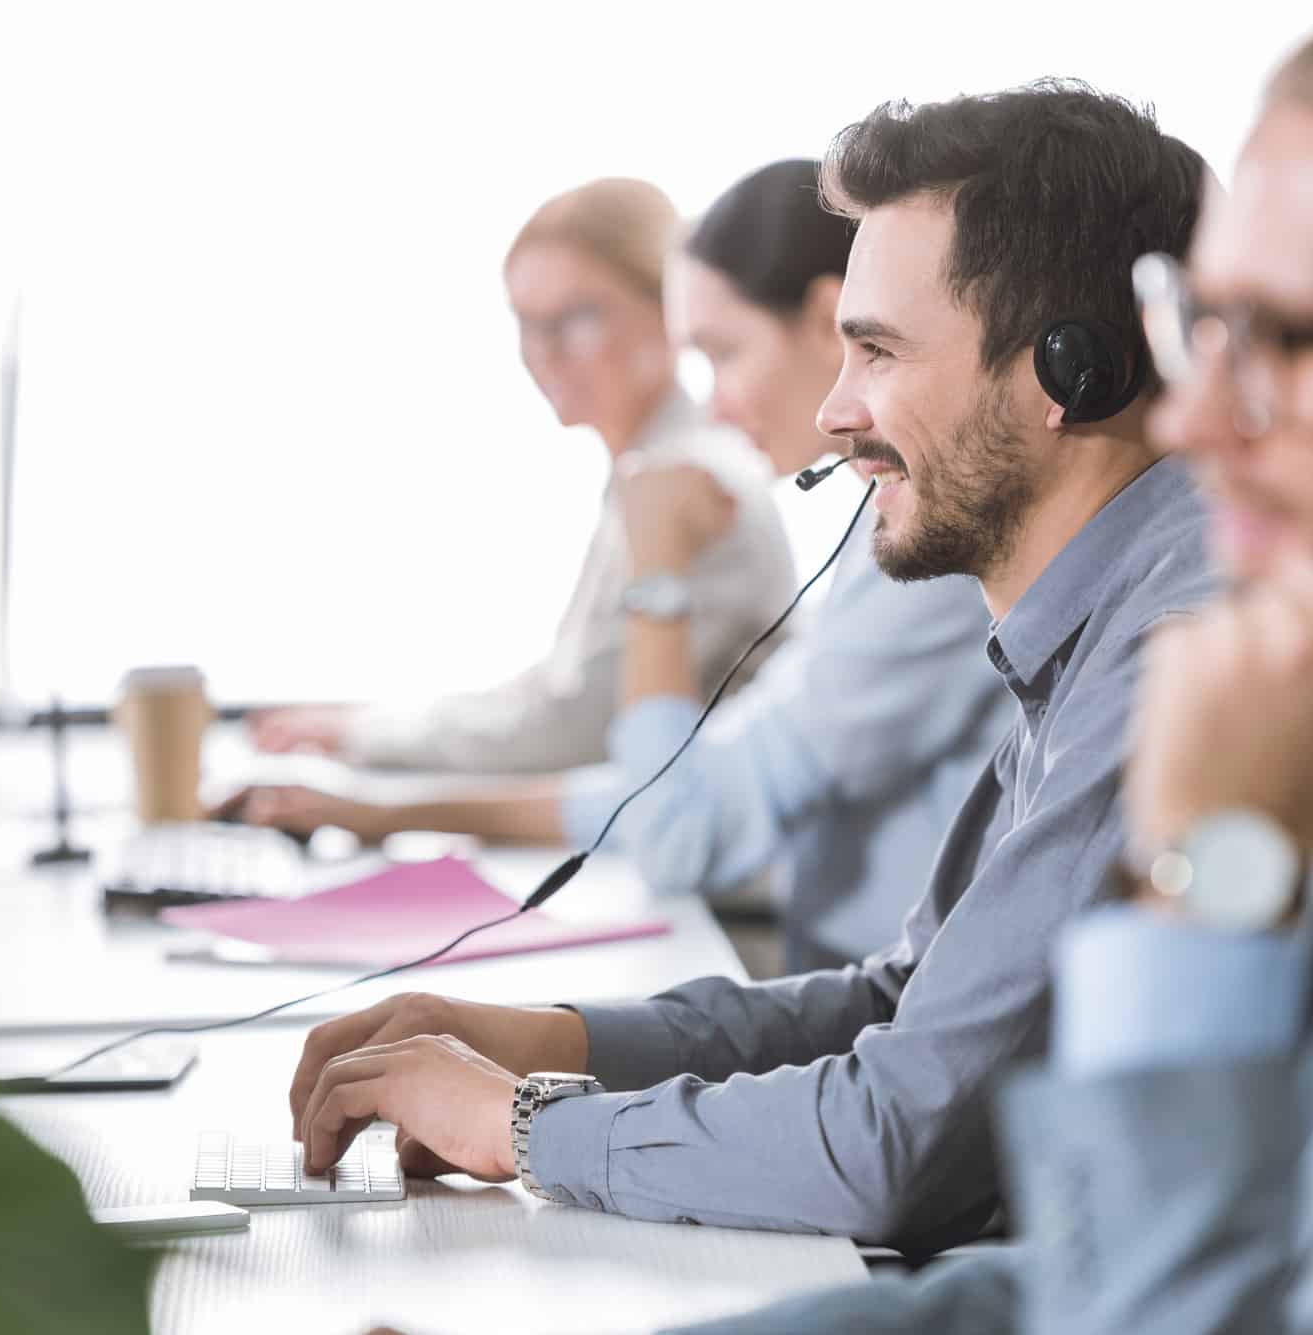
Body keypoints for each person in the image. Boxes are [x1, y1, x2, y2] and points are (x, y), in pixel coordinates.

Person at [657, 0, 1313, 1330]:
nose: (1187, 416)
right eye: (1202, 327)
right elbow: (1120, 1267)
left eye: (1285, 343)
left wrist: (1208, 894)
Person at [273, 83, 1217, 1253]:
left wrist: (524, 1126)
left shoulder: (1177, 648)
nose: (832, 413)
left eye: (873, 352)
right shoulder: (1085, 618)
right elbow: (896, 1002)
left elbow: (892, 1145)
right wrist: (549, 1041)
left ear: (1070, 371)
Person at [223, 159, 1015, 970]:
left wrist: (660, 577)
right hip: (836, 967)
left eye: (723, 353)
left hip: (859, 984)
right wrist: (385, 812)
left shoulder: (877, 541)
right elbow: (648, 790)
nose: (542, 357)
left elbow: (653, 803)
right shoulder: (864, 535)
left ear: (830, 322)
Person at [248, 177, 794, 773]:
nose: (542, 352)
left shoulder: (696, 483)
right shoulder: (644, 472)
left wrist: (365, 746)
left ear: (670, 310)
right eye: (525, 321)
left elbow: (578, 729)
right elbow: (555, 688)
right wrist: (358, 727)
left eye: (577, 317)